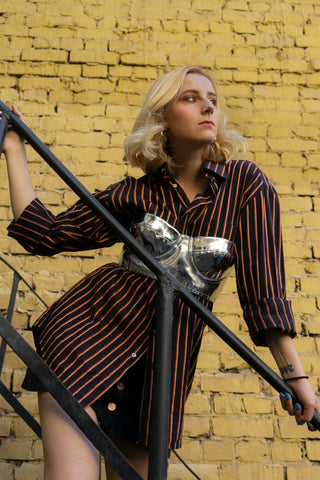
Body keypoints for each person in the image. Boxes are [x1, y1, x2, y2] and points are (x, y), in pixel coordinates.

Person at [1, 65, 319, 480]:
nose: (208, 105)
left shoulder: (246, 184)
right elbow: (45, 234)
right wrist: (14, 148)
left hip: (160, 372)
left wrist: (294, 374)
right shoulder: (134, 192)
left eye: (213, 100)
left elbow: (264, 291)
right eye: (190, 97)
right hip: (86, 340)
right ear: (162, 117)